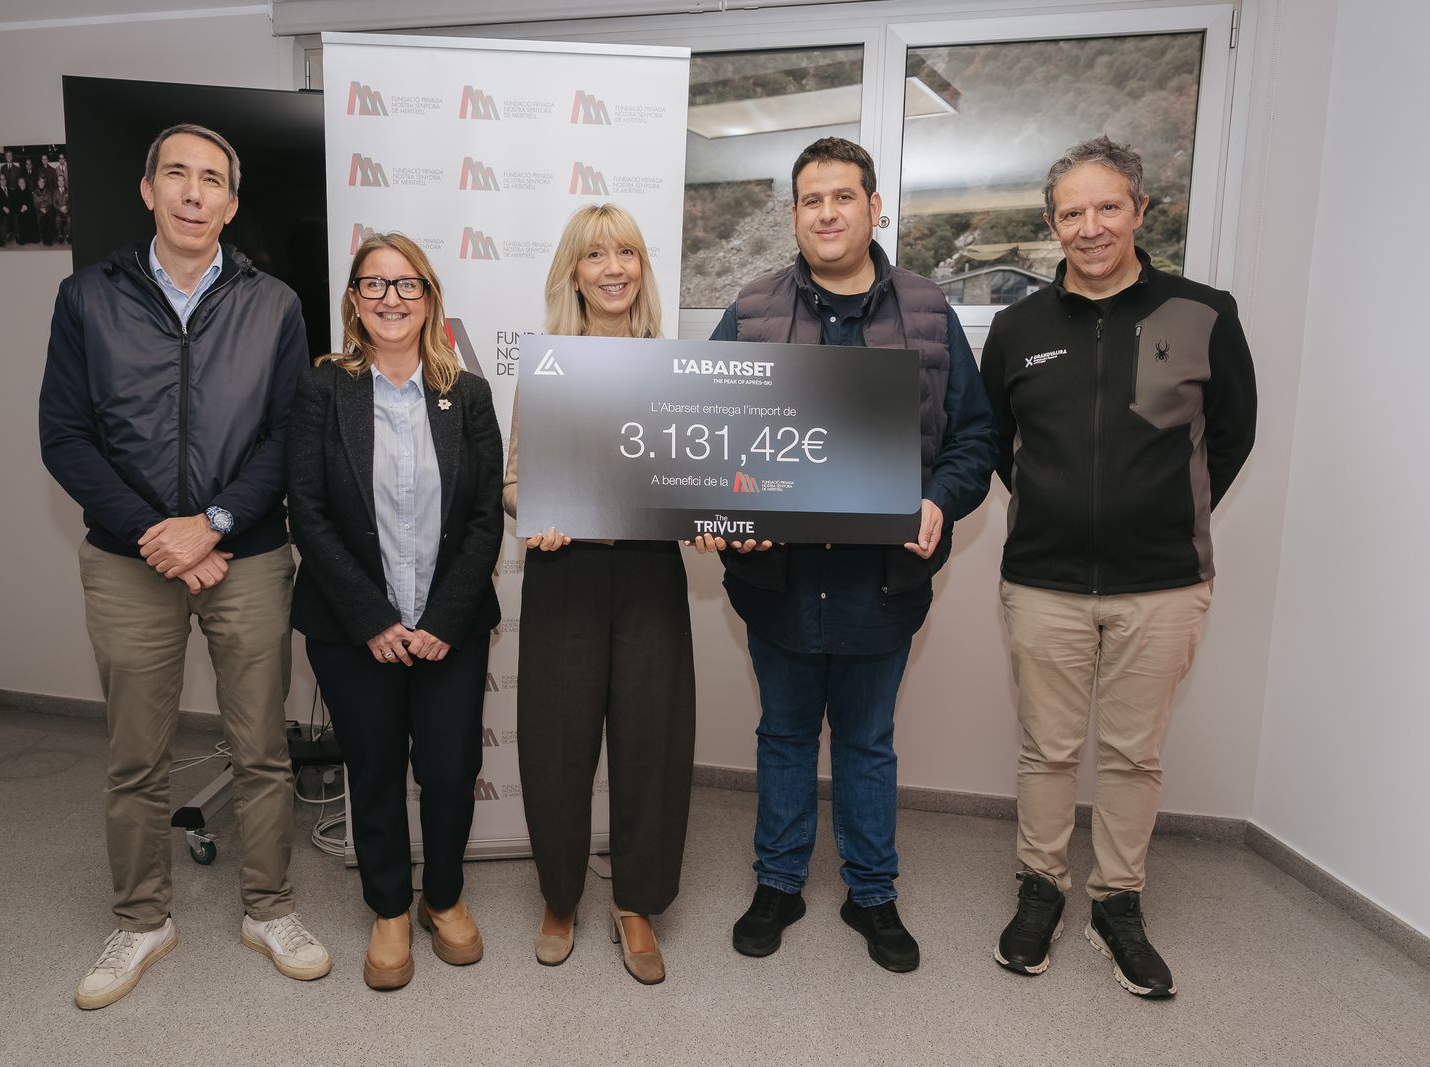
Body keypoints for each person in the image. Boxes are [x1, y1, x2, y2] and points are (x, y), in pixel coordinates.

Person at [39, 123, 329, 1010]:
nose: (193, 193)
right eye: (177, 174)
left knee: (262, 748)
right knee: (135, 755)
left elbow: (288, 435)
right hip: (128, 559)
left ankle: (270, 908)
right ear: (149, 189)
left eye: (211, 180)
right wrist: (156, 534)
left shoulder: (274, 304)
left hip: (246, 551)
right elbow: (65, 436)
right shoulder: (86, 298)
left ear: (232, 205)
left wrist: (212, 524)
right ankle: (142, 919)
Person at [710, 136, 998, 973]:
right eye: (812, 199)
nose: (827, 213)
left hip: (881, 580)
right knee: (784, 734)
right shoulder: (752, 311)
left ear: (875, 208)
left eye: (844, 197)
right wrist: (731, 509)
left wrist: (938, 499)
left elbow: (974, 437)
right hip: (780, 578)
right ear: (794, 215)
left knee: (868, 741)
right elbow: (707, 433)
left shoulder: (929, 311)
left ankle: (872, 892)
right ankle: (779, 882)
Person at [980, 137, 1257, 999]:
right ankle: (1040, 888)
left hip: (1164, 583)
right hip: (1043, 580)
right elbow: (997, 444)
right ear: (1052, 224)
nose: (1090, 226)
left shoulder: (1204, 312)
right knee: (1046, 749)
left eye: (1107, 207)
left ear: (1140, 209)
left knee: (1135, 754)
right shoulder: (1017, 329)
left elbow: (1231, 437)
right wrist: (1058, 506)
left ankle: (1117, 901)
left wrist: (1161, 512)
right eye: (1072, 212)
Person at [504, 203, 714, 985]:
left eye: (625, 252)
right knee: (557, 745)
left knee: (651, 743)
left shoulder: (676, 367)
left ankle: (636, 902)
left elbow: (696, 474)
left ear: (641, 267)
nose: (613, 268)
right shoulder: (549, 367)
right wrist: (537, 511)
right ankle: (560, 898)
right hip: (567, 574)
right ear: (574, 272)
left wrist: (708, 517)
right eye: (595, 255)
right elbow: (515, 481)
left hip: (651, 573)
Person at [289, 232, 503, 992]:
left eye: (407, 284)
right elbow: (308, 512)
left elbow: (484, 518)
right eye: (374, 284)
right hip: (353, 629)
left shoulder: (467, 394)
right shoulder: (322, 389)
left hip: (450, 628)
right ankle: (387, 907)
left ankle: (442, 897)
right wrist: (372, 618)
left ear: (429, 298)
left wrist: (443, 619)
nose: (390, 298)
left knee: (450, 770)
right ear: (354, 300)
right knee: (374, 768)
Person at [11, 175, 35, 245]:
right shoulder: (15, 192)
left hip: (27, 209)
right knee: (20, 217)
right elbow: (14, 204)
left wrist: (26, 206)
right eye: (21, 182)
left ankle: (29, 237)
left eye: (23, 182)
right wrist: (20, 208)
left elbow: (31, 202)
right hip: (19, 210)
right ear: (18, 184)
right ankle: (21, 237)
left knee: (31, 214)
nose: (22, 184)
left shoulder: (28, 191)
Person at [34, 174, 56, 246]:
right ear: (38, 183)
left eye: (43, 182)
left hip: (47, 210)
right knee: (43, 220)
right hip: (39, 211)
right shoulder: (35, 192)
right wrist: (41, 208)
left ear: (44, 183)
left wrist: (45, 209)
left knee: (48, 220)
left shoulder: (48, 191)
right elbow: (35, 203)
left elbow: (50, 202)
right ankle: (45, 239)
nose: (41, 183)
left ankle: (48, 240)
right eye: (40, 182)